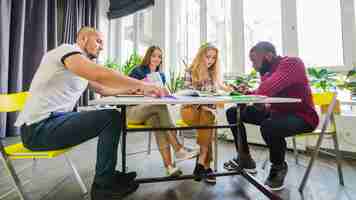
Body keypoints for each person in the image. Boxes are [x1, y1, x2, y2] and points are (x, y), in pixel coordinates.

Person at [14, 27, 168, 200]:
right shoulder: (67, 51)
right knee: (111, 118)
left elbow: (103, 88)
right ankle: (103, 186)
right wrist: (145, 85)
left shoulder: (79, 67)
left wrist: (137, 91)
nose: (101, 47)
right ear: (83, 38)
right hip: (37, 130)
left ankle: (107, 175)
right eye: (98, 41)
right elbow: (101, 75)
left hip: (55, 121)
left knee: (112, 116)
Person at [224, 41, 319, 191]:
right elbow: (264, 98)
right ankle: (245, 158)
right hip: (277, 113)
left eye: (254, 60)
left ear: (268, 56)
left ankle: (278, 166)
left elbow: (266, 90)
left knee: (269, 126)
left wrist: (255, 96)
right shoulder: (268, 72)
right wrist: (246, 94)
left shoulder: (292, 63)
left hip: (302, 117)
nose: (253, 66)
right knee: (233, 113)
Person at [127, 45, 197, 177]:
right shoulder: (137, 71)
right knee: (159, 106)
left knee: (158, 122)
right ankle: (177, 147)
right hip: (134, 111)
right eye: (154, 55)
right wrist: (141, 87)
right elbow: (126, 90)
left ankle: (169, 166)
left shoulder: (161, 75)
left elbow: (164, 94)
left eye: (159, 56)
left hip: (151, 112)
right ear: (148, 56)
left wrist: (166, 93)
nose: (156, 59)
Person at [180, 43, 232, 184]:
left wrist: (227, 90)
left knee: (208, 116)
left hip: (207, 114)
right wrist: (202, 102)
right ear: (200, 56)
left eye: (213, 58)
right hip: (190, 111)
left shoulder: (214, 74)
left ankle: (202, 163)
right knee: (208, 118)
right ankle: (205, 164)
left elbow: (219, 95)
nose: (210, 60)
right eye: (207, 56)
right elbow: (185, 94)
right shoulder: (190, 71)